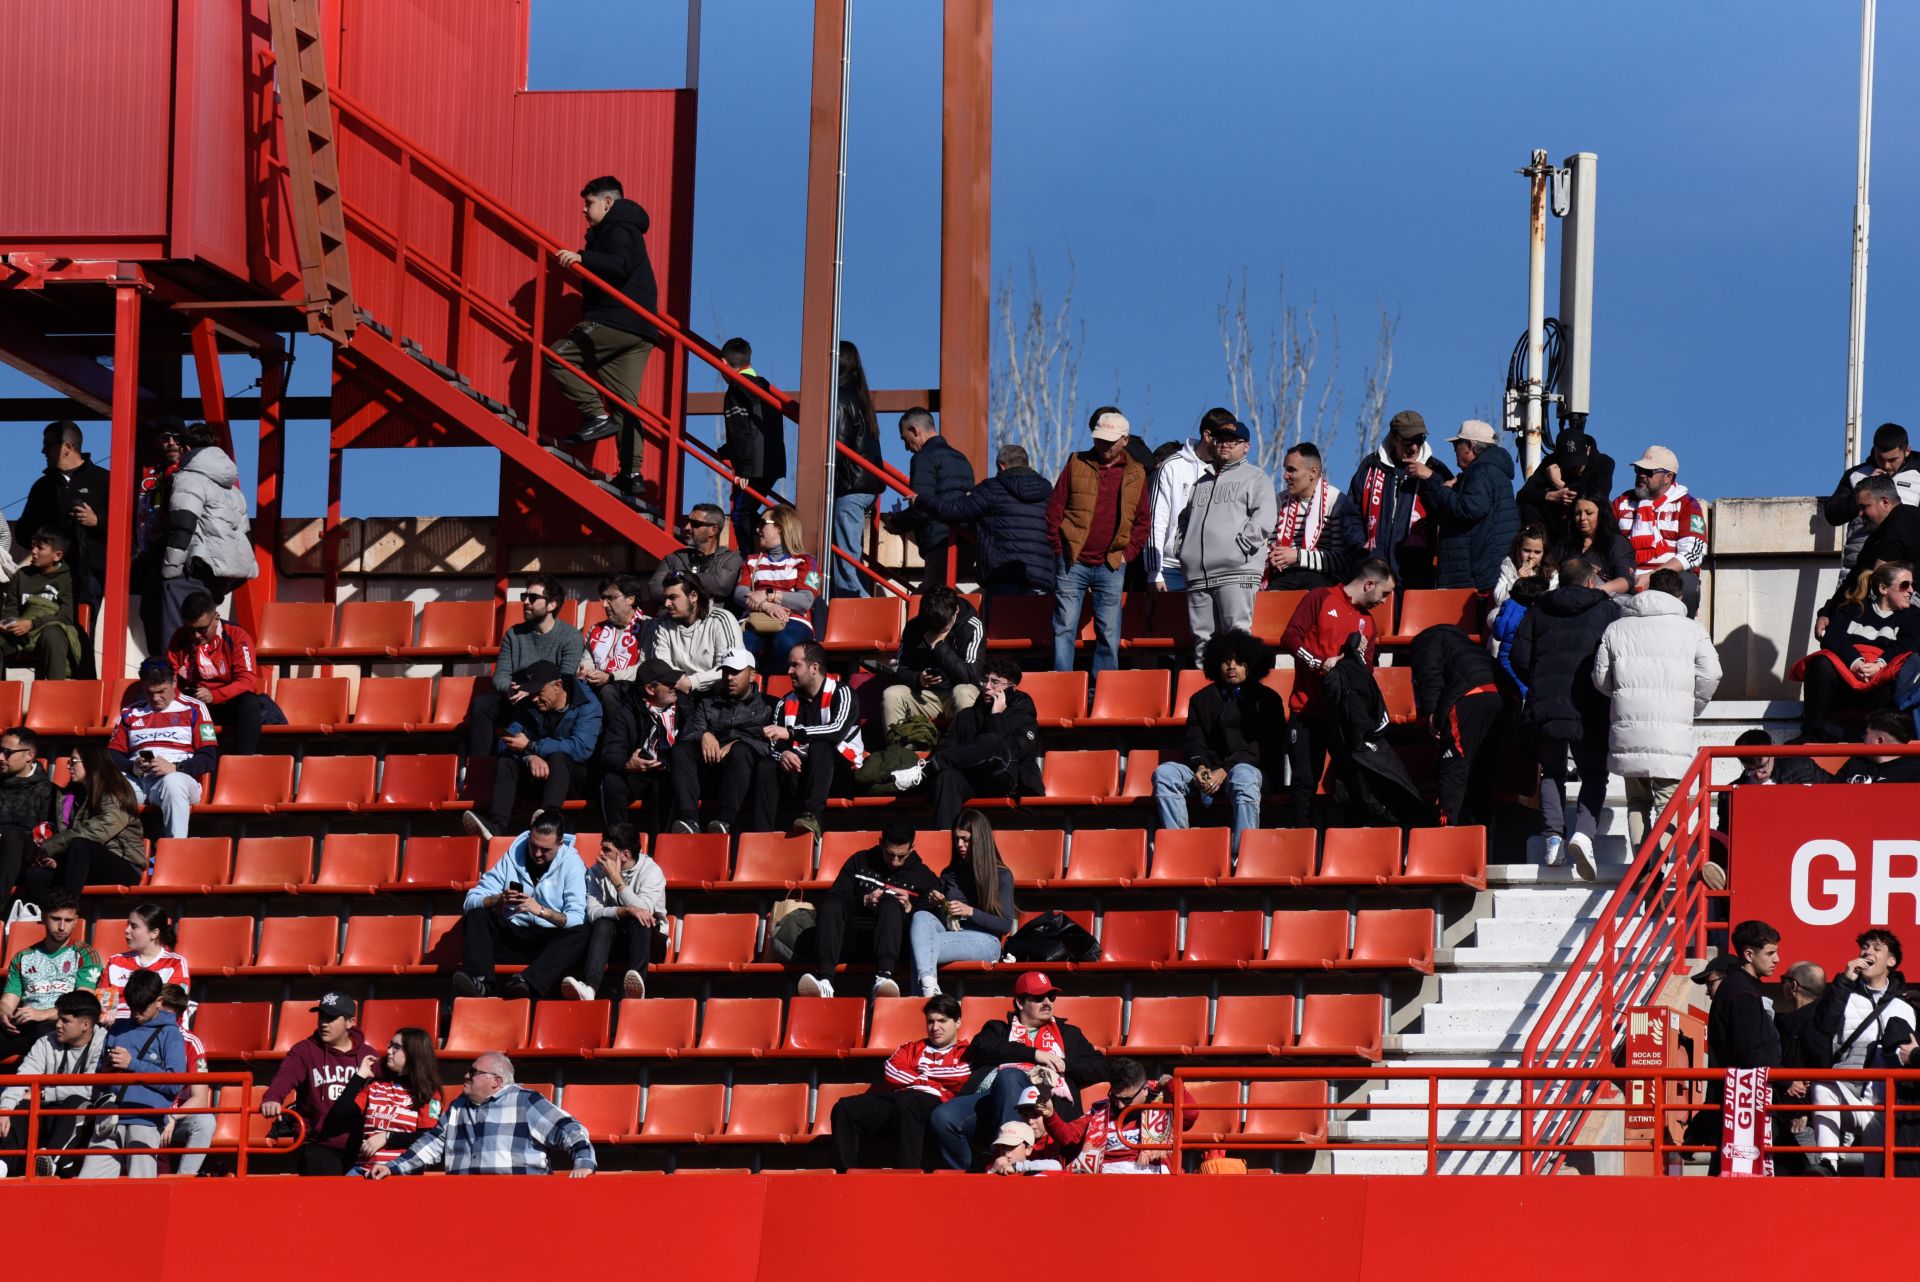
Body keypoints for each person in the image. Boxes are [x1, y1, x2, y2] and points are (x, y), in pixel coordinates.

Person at [1592, 567, 1723, 859]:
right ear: (1679, 595)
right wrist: (1693, 704)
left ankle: (1642, 867)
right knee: (1669, 803)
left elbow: (1600, 677)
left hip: (1628, 730)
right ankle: (1659, 870)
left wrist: (1622, 696)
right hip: (1671, 733)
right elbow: (1712, 673)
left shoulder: (1617, 628)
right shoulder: (1692, 629)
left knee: (1637, 802)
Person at [546, 175, 660, 504]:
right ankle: (632, 475)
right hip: (639, 330)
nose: (584, 210)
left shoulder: (618, 228)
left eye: (589, 203)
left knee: (557, 355)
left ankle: (596, 416)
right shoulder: (621, 228)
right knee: (625, 404)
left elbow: (620, 265)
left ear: (607, 202)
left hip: (615, 320)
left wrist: (583, 257)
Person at [928, 972, 1110, 1170]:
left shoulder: (1069, 1034)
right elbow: (981, 1047)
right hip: (994, 1101)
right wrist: (1034, 1054)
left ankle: (1010, 1162)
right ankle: (969, 1178)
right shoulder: (998, 1029)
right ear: (1020, 1003)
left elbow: (1101, 1067)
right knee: (943, 1117)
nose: (1047, 1002)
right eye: (1039, 998)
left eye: (1051, 997)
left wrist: (1066, 1064)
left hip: (1047, 1105)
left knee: (1009, 1076)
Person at [1511, 558, 1621, 877]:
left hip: (1545, 702)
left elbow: (1518, 657)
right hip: (1590, 704)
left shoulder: (1539, 609)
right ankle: (1584, 834)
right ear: (1590, 582)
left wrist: (1539, 681)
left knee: (1551, 772)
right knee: (1595, 774)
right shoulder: (1607, 609)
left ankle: (1553, 840)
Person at [1278, 558, 1395, 826]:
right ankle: (1301, 848)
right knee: (1304, 782)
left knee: (1352, 784)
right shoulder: (1321, 597)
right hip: (1307, 710)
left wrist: (1359, 657)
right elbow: (1290, 637)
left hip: (1343, 719)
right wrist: (1321, 664)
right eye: (1384, 593)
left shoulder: (1368, 624)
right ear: (1368, 584)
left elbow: (1364, 674)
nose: (1385, 602)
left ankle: (1349, 851)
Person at [1152, 628, 1286, 854]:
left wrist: (1224, 771)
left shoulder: (1268, 700)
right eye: (1226, 661)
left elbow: (1260, 747)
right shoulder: (1201, 699)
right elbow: (1194, 740)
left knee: (1243, 775)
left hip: (1250, 772)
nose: (1232, 666)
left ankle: (1243, 855)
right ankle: (1179, 850)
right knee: (1165, 774)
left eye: (1239, 661)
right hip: (1210, 771)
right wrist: (1202, 768)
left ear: (1251, 664)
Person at [366, 1052, 595, 1178]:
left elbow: (571, 1130)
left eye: (474, 1072)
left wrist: (584, 1163)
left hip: (521, 1206)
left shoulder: (526, 1102)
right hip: (465, 1206)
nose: (466, 1075)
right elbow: (430, 1144)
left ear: (496, 1081)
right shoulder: (458, 1107)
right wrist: (393, 1167)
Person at [1046, 407, 1151, 676]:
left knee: (1109, 630)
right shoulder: (1076, 463)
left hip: (1112, 563)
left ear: (1125, 441)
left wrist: (1126, 555)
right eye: (1099, 438)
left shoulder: (1137, 474)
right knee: (1064, 626)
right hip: (1072, 560)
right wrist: (1060, 550)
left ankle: (1102, 688)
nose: (1103, 445)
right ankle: (1062, 684)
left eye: (1110, 440)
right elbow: (1055, 510)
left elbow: (1142, 523)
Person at [891, 658, 1044, 828]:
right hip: (972, 778)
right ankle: (945, 841)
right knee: (947, 777)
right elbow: (945, 746)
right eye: (984, 680)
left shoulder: (1024, 717)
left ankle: (927, 768)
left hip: (1005, 778)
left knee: (994, 742)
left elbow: (1012, 752)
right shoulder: (967, 715)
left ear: (1012, 688)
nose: (987, 686)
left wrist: (996, 716)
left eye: (995, 682)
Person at [1810, 929, 1915, 1176]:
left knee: (1877, 1180)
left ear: (1891, 961)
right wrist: (1845, 980)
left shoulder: (1904, 1007)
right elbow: (1821, 1028)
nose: (1867, 952)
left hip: (1885, 1107)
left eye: (1876, 948)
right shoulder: (1843, 995)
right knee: (1822, 1086)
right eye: (1864, 948)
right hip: (1850, 1093)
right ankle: (1828, 1164)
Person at [453, 810, 588, 1000]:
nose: (538, 854)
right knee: (477, 914)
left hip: (549, 943)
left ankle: (526, 983)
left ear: (560, 843)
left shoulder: (572, 863)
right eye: (534, 846)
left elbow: (577, 916)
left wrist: (541, 911)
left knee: (582, 931)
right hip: (515, 935)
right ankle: (480, 983)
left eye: (546, 849)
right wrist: (498, 899)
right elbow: (471, 900)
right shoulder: (513, 854)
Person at [463, 659, 602, 844]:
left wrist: (532, 747)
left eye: (539, 692)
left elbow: (580, 749)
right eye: (532, 693)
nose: (534, 698)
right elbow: (508, 741)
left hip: (575, 781)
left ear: (557, 686)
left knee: (559, 756)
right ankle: (496, 828)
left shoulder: (588, 704)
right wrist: (529, 757)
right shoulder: (530, 703)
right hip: (539, 778)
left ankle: (547, 823)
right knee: (506, 760)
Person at [830, 994, 972, 1172]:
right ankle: (843, 1176)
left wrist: (919, 1074)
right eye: (930, 1021)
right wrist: (928, 1079)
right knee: (845, 1108)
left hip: (936, 1103)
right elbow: (891, 1070)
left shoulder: (966, 1051)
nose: (935, 1027)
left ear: (957, 1022)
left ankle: (908, 1176)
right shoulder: (911, 1047)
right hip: (901, 1098)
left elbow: (961, 1075)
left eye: (942, 1021)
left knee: (910, 1104)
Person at [798, 822, 938, 1000]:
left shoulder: (924, 877)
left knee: (890, 902)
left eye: (901, 856)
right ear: (881, 843)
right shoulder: (859, 861)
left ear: (912, 848)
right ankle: (825, 981)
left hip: (895, 947)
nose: (895, 862)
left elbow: (929, 924)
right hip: (851, 940)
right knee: (832, 904)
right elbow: (834, 900)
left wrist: (909, 909)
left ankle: (883, 979)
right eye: (890, 854)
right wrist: (862, 901)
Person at [1174, 417, 1275, 655]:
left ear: (1246, 446)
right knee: (1203, 643)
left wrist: (1239, 547)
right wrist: (1184, 551)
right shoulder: (1201, 482)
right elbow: (1184, 520)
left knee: (1236, 638)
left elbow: (1266, 516)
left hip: (1236, 572)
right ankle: (1206, 692)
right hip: (1198, 575)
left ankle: (1239, 693)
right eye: (1221, 440)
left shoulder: (1255, 477)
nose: (1225, 445)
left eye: (1233, 441)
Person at [77, 968, 185, 1179]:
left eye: (142, 1007)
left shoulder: (171, 1034)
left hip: (145, 1120)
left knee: (141, 1186)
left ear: (159, 1001)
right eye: (133, 1006)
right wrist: (105, 1071)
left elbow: (175, 1084)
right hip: (109, 1118)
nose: (136, 1013)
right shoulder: (117, 1028)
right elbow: (99, 1079)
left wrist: (133, 1064)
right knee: (88, 1185)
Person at [462, 574, 584, 760]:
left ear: (552, 605)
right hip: (515, 694)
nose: (526, 602)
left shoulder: (570, 636)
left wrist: (534, 692)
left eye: (533, 598)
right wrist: (509, 690)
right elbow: (501, 674)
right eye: (524, 597)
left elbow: (566, 677)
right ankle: (480, 765)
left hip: (545, 696)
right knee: (482, 704)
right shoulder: (513, 634)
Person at [1795, 561, 1920, 742]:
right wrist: (1855, 662)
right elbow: (1832, 637)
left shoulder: (1913, 616)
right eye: (1904, 585)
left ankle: (1884, 738)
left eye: (1913, 586)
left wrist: (1879, 665)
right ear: (1883, 588)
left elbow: (1908, 645)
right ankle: (1811, 733)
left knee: (1903, 669)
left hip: (1882, 686)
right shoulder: (1852, 608)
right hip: (1847, 677)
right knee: (1820, 663)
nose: (1911, 591)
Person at [158, 420, 256, 645]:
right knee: (206, 631)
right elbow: (245, 533)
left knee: (179, 634)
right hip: (226, 572)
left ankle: (176, 676)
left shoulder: (188, 478)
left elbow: (183, 524)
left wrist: (170, 571)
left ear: (186, 448)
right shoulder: (231, 487)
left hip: (199, 565)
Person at [914, 442, 1055, 599]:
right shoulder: (1048, 492)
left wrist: (921, 500)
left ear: (1002, 466)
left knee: (1000, 623)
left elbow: (953, 511)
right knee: (1033, 623)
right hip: (1040, 579)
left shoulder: (992, 488)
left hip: (1002, 576)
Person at [258, 992, 376, 1176]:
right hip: (317, 1142)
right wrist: (273, 1097)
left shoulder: (367, 1055)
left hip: (359, 1145)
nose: (323, 1023)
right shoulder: (305, 1050)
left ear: (350, 1022)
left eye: (330, 1018)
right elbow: (285, 1077)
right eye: (321, 1016)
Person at [667, 645, 777, 834]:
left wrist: (738, 743)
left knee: (741, 750)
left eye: (735, 672)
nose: (729, 677)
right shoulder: (708, 702)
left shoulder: (770, 705)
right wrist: (704, 735)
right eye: (726, 671)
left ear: (752, 675)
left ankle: (725, 822)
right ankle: (690, 820)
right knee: (681, 750)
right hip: (711, 769)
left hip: (746, 777)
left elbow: (773, 746)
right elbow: (688, 733)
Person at [1699, 920, 1781, 1173]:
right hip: (1745, 1103)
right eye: (1770, 952)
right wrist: (1787, 1081)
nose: (1777, 959)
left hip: (1741, 1101)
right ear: (1748, 954)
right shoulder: (1741, 993)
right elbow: (1749, 1053)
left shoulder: (1740, 989)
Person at [1411, 621, 1509, 828]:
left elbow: (1430, 674)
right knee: (1483, 769)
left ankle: (1448, 830)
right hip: (1508, 697)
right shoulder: (1468, 648)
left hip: (1472, 696)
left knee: (1454, 764)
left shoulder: (1427, 640)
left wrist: (1432, 712)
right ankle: (1481, 830)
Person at [909, 810, 1017, 997]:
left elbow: (1005, 924)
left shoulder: (1001, 875)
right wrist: (941, 904)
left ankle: (922, 999)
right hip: (952, 933)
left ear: (980, 839)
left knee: (920, 945)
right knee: (921, 917)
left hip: (986, 941)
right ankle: (929, 986)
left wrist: (970, 912)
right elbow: (946, 920)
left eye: (966, 839)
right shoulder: (950, 873)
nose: (959, 845)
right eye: (956, 839)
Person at [21, 744, 146, 903]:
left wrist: (52, 845)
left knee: (81, 845)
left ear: (91, 762)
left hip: (123, 864)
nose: (68, 765)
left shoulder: (116, 790)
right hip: (84, 863)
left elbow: (98, 830)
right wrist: (56, 858)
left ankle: (68, 908)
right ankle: (39, 918)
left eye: (73, 761)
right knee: (36, 874)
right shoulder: (73, 796)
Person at [766, 641, 865, 837]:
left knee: (821, 746)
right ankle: (762, 832)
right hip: (800, 774)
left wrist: (792, 733)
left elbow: (836, 730)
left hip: (840, 775)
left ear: (814, 668)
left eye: (795, 665)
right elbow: (773, 743)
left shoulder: (842, 693)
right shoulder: (785, 702)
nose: (789, 671)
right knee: (766, 767)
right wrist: (783, 753)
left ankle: (813, 817)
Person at [0, 990, 108, 1168]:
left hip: (82, 1122)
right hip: (47, 1114)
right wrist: (5, 1109)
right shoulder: (45, 1042)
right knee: (20, 1105)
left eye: (65, 1021)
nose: (57, 1025)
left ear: (85, 1025)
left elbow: (91, 1088)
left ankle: (52, 1161)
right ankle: (3, 1164)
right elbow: (24, 1076)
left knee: (76, 1101)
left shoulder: (103, 1043)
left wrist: (42, 1094)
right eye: (58, 1018)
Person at [1409, 419, 1519, 593]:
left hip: (1475, 576)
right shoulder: (1492, 470)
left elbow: (1469, 509)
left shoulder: (1481, 471)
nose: (1454, 450)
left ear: (1470, 447)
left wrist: (1435, 482)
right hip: (1486, 572)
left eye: (1457, 445)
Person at [1037, 1056, 1198, 1175]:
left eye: (1127, 1100)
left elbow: (1190, 1114)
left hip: (1152, 1177)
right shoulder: (1100, 1112)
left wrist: (1171, 1084)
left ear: (1145, 1089)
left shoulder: (1164, 1107)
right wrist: (1050, 1115)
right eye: (1114, 1097)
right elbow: (1068, 1137)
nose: (1119, 1105)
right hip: (1105, 1179)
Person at [1348, 409, 1452, 590]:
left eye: (1419, 441)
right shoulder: (1370, 467)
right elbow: (1351, 513)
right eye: (1408, 441)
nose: (1414, 447)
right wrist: (1363, 548)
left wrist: (1431, 479)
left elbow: (1450, 512)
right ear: (1394, 438)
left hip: (1415, 574)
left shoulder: (1436, 470)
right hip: (1373, 571)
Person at [17, 420, 110, 621]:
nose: (43, 450)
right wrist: (42, 540)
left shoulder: (104, 480)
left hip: (91, 573)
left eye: (48, 444)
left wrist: (97, 522)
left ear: (68, 447)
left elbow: (128, 529)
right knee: (48, 630)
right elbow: (23, 532)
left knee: (82, 631)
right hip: (49, 575)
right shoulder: (42, 487)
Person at [563, 822, 666, 1001]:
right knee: (603, 921)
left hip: (650, 943)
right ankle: (590, 988)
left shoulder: (652, 871)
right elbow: (592, 912)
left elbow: (645, 911)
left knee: (640, 920)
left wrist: (617, 882)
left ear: (624, 855)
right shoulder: (596, 871)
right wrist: (624, 910)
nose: (600, 854)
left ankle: (637, 986)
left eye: (606, 850)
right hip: (613, 942)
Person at [321, 1026, 443, 1172]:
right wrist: (360, 1076)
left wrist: (388, 1137)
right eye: (390, 1045)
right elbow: (341, 1112)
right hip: (362, 1170)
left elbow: (429, 1137)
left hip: (400, 1171)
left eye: (396, 1047)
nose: (389, 1051)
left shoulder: (428, 1093)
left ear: (413, 1053)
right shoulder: (375, 1087)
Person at [0, 889, 102, 1062]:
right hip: (24, 1023)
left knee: (46, 1034)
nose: (62, 927)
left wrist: (42, 1014)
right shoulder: (22, 957)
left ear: (76, 921)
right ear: (43, 918)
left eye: (68, 920)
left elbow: (83, 1004)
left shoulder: (86, 954)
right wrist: (4, 1013)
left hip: (60, 1025)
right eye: (56, 919)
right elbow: (8, 1000)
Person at [1612, 444, 1708, 618]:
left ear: (1668, 477)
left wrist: (1651, 576)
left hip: (1667, 579)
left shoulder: (1686, 504)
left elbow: (1694, 552)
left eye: (1648, 472)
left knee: (1688, 587)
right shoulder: (1622, 503)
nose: (1641, 475)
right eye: (1638, 470)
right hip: (1626, 577)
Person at [165, 590, 266, 755]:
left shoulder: (237, 636)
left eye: (202, 629)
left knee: (250, 702)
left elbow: (247, 681)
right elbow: (172, 677)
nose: (196, 635)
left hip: (228, 704)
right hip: (194, 706)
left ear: (216, 618)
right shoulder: (180, 637)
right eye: (191, 630)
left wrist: (214, 695)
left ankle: (243, 761)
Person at [887, 407, 975, 591]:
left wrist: (896, 523)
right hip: (965, 542)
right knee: (942, 599)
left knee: (925, 604)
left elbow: (921, 507)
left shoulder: (924, 458)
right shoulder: (961, 459)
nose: (906, 447)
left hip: (940, 543)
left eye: (905, 439)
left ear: (915, 430)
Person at [882, 586, 984, 736]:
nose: (936, 631)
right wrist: (918, 679)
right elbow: (898, 669)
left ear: (956, 610)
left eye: (943, 628)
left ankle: (967, 754)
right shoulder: (915, 626)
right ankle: (900, 754)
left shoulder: (972, 626)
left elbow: (971, 675)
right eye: (932, 627)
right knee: (891, 694)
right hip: (924, 696)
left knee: (963, 691)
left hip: (957, 695)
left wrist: (939, 646)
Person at [717, 337, 787, 555]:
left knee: (741, 514)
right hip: (772, 461)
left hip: (753, 464)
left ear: (723, 363)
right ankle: (769, 549)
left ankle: (752, 559)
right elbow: (756, 427)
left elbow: (742, 430)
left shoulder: (736, 389)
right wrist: (729, 450)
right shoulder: (764, 386)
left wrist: (744, 467)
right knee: (747, 510)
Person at [596, 656, 680, 836]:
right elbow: (609, 752)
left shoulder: (685, 707)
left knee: (668, 784)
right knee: (611, 782)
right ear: (650, 689)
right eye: (668, 683)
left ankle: (659, 847)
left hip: (669, 772)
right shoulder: (626, 712)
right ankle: (618, 844)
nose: (675, 685)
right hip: (638, 772)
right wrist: (627, 765)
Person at [1822, 421, 1920, 574]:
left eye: (1892, 460)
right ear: (1874, 451)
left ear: (1907, 450)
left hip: (1903, 570)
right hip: (1857, 569)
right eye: (1881, 459)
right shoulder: (1856, 475)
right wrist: (1864, 493)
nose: (1886, 466)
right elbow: (1832, 514)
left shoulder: (1917, 476)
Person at [1146, 410, 1228, 589]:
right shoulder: (1172, 467)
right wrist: (1155, 572)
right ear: (1207, 435)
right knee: (1170, 618)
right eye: (1223, 439)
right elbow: (1155, 521)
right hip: (1170, 569)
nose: (1227, 445)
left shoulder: (1230, 472)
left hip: (1212, 572)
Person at [736, 504, 820, 676]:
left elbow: (805, 600)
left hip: (793, 620)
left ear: (780, 528)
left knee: (786, 643)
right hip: (755, 619)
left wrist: (769, 596)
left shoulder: (806, 562)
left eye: (762, 523)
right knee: (740, 647)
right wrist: (765, 606)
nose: (757, 528)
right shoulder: (752, 561)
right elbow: (739, 594)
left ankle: (767, 684)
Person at [832, 340, 887, 598]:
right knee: (852, 549)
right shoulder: (860, 395)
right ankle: (859, 594)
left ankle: (855, 599)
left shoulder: (841, 397)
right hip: (865, 484)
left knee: (846, 554)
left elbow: (838, 444)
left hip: (850, 486)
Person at [1267, 441, 1363, 590]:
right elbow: (1267, 546)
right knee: (1267, 603)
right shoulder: (1279, 501)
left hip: (1322, 577)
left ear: (1313, 472)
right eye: (1285, 470)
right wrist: (1272, 555)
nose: (1285, 476)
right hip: (1283, 576)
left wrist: (1297, 556)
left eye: (1291, 470)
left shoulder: (1336, 502)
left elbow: (1341, 560)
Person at [134, 418, 188, 655]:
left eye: (177, 438)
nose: (171, 443)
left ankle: (179, 669)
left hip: (184, 556)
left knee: (178, 615)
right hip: (151, 555)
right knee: (150, 613)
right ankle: (158, 666)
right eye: (165, 438)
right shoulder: (150, 473)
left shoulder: (193, 471)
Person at [647, 572, 746, 700]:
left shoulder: (721, 620)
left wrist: (693, 682)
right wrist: (682, 681)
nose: (666, 604)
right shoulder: (663, 623)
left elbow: (731, 667)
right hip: (679, 693)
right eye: (665, 598)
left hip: (719, 696)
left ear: (693, 596)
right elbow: (662, 665)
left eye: (673, 597)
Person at [1516, 428, 1616, 552]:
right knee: (1527, 509)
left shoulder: (1603, 464)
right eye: (1569, 464)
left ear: (1588, 450)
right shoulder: (1550, 464)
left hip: (1586, 530)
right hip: (1555, 531)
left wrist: (1559, 484)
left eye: (1578, 463)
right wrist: (1550, 496)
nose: (1574, 467)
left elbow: (1597, 499)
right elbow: (1522, 495)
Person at [1774, 960, 1831, 1175]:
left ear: (1794, 986)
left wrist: (1803, 1110)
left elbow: (1824, 1069)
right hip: (1799, 1115)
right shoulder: (1818, 1019)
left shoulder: (1813, 1024)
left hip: (1804, 1121)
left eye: (1784, 981)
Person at [0, 531, 82, 678]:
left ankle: (54, 695)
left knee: (53, 635)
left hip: (47, 632)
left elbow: (66, 616)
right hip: (20, 634)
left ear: (57, 555)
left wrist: (32, 624)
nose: (34, 552)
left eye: (40, 548)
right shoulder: (22, 575)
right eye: (33, 547)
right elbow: (11, 609)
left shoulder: (68, 578)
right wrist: (8, 623)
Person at [0, 724, 57, 922]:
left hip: (26, 857)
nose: (1, 757)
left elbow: (48, 833)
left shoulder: (49, 791)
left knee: (13, 835)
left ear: (28, 755)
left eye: (7, 752)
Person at [645, 505, 746, 614]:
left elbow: (722, 585)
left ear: (713, 530)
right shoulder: (673, 558)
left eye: (695, 524)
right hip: (672, 626)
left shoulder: (731, 559)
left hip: (713, 627)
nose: (687, 527)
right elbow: (655, 590)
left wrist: (679, 577)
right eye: (687, 521)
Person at [158, 983, 213, 1177]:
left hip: (176, 1118)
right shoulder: (139, 1036)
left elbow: (200, 1098)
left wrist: (172, 1116)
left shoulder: (191, 1043)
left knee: (205, 1122)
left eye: (169, 1015)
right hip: (145, 1115)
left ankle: (185, 1178)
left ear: (180, 1016)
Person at [102, 904, 189, 1024]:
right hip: (117, 1029)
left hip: (157, 1033)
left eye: (134, 926)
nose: (126, 930)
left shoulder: (175, 963)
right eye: (127, 924)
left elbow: (170, 1008)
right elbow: (104, 1007)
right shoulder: (115, 961)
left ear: (154, 933)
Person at [578, 574, 648, 715]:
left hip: (631, 689)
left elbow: (645, 667)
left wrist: (610, 677)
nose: (604, 604)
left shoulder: (648, 626)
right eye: (603, 598)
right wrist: (586, 673)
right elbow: (587, 662)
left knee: (608, 691)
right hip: (597, 685)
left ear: (630, 599)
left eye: (610, 598)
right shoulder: (597, 629)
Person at [1563, 496, 1635, 596]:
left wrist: (1596, 592)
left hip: (1605, 601)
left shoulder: (1617, 543)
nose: (1582, 518)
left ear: (1602, 514)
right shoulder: (1565, 544)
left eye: (1589, 513)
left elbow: (1626, 580)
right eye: (1577, 513)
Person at [1488, 573, 1547, 694]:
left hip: (1506, 663)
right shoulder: (1528, 617)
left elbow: (1499, 633)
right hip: (1518, 667)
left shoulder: (1510, 609)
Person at [1830, 711, 1920, 784]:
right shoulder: (1856, 762)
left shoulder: (1914, 771)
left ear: (1879, 740)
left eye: (1866, 733)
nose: (1863, 737)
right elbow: (1830, 792)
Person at [1491, 524, 1554, 607]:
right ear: (1519, 549)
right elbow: (1499, 599)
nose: (1531, 556)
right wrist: (1517, 579)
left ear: (1544, 553)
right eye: (1527, 550)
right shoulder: (1509, 565)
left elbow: (1549, 601)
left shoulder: (1550, 571)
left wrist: (1532, 580)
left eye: (1537, 552)